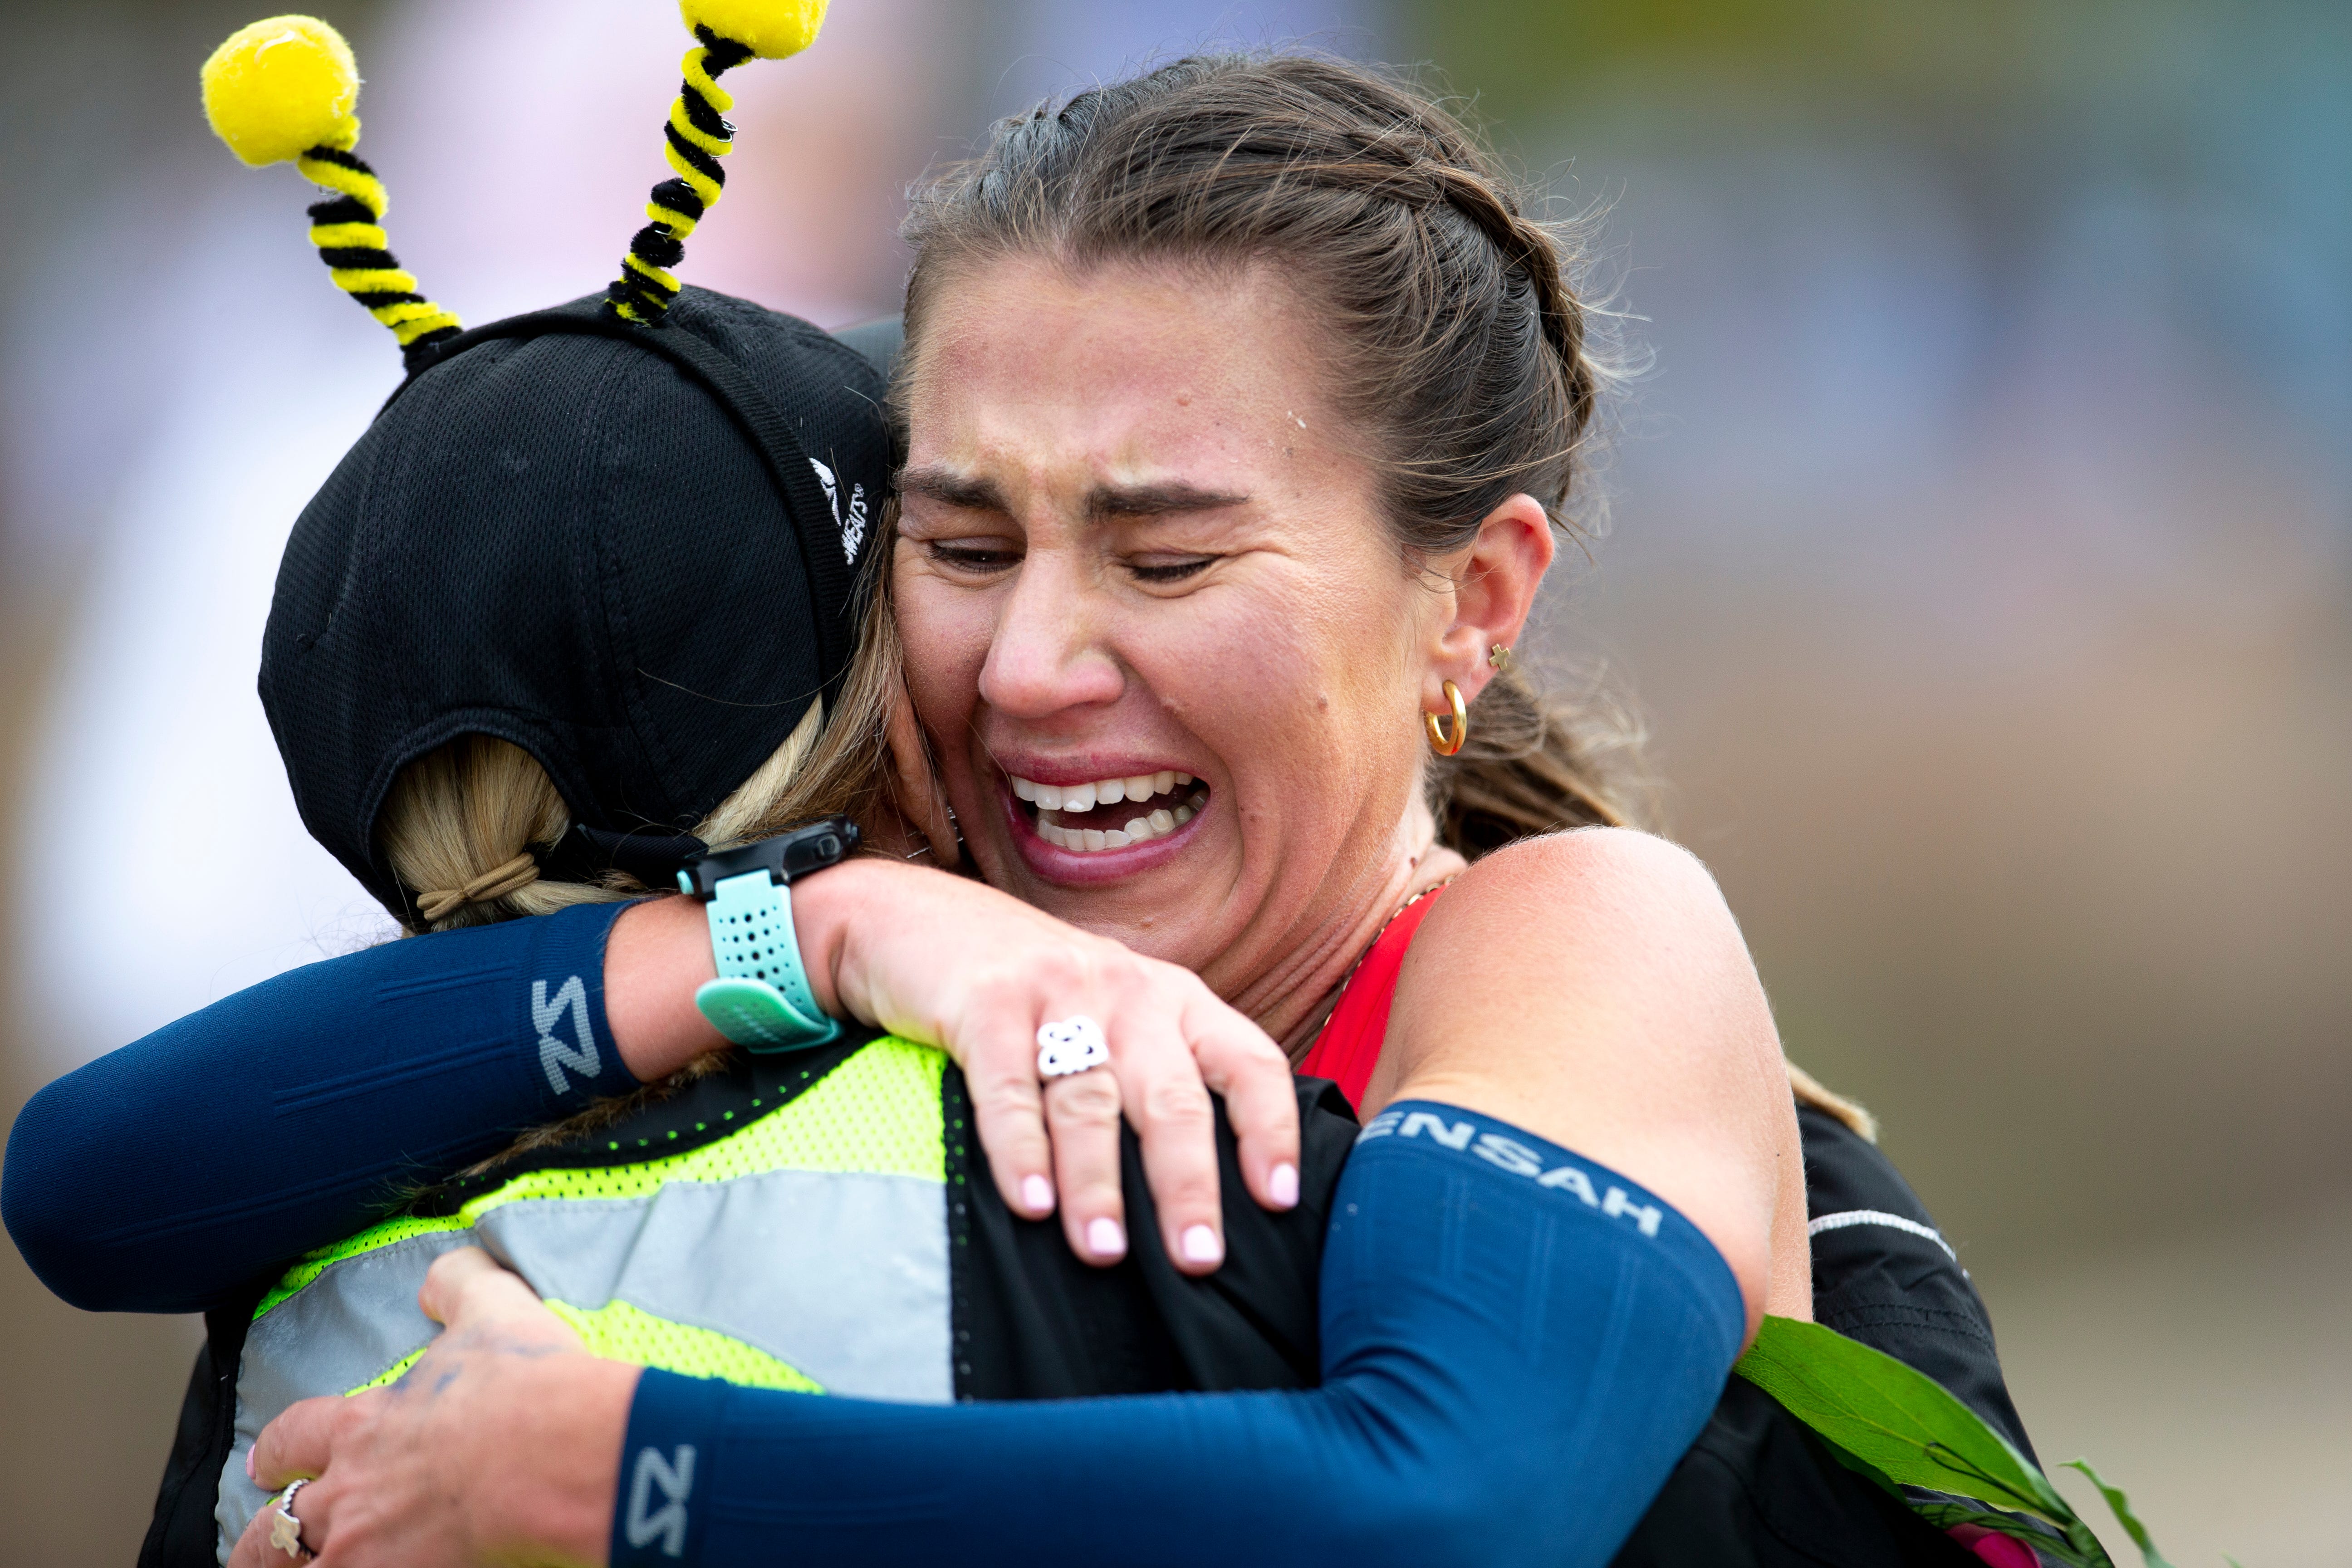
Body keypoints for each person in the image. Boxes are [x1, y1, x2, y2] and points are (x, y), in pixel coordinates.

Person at [4, 23, 2038, 1568]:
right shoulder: (888, 933)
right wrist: (799, 936)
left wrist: (615, 1472)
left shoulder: (1568, 938)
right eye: (967, 549)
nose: (1041, 664)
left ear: (1473, 600)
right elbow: (91, 1189)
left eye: (1167, 560)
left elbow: (1458, 1503)